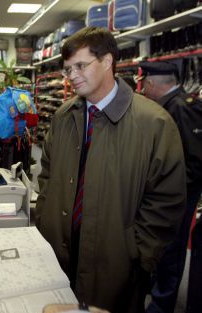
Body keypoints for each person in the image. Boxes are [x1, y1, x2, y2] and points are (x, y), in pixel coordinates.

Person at [34, 27, 186, 312]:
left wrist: (138, 254)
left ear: (107, 61)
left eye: (80, 65)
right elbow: (47, 176)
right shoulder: (63, 117)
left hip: (116, 268)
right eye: (68, 69)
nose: (72, 75)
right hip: (58, 257)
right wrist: (45, 219)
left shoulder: (154, 124)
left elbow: (167, 202)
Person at [140, 60, 202, 313]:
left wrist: (171, 192)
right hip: (165, 195)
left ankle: (162, 304)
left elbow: (195, 161)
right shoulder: (169, 106)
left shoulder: (182, 108)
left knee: (171, 251)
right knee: (160, 245)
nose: (142, 90)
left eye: (144, 85)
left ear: (153, 84)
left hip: (178, 198)